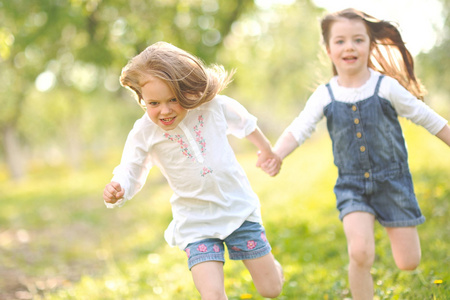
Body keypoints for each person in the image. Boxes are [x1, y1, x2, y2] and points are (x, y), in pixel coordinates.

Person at [261, 8, 450, 300]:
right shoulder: (325, 95)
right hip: (352, 187)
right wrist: (277, 154)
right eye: (340, 41)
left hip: (394, 184)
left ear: (370, 45)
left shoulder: (386, 87)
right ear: (328, 49)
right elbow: (299, 128)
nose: (349, 46)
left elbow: (427, 117)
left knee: (408, 261)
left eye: (358, 40)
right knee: (360, 253)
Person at [102, 41, 283, 299]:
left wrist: (266, 149)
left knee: (271, 289)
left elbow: (245, 123)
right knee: (211, 294)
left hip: (237, 209)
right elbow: (131, 168)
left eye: (173, 100)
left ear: (186, 90)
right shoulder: (144, 131)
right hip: (195, 222)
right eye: (153, 103)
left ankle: (273, 270)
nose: (164, 110)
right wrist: (119, 186)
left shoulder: (213, 107)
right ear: (141, 99)